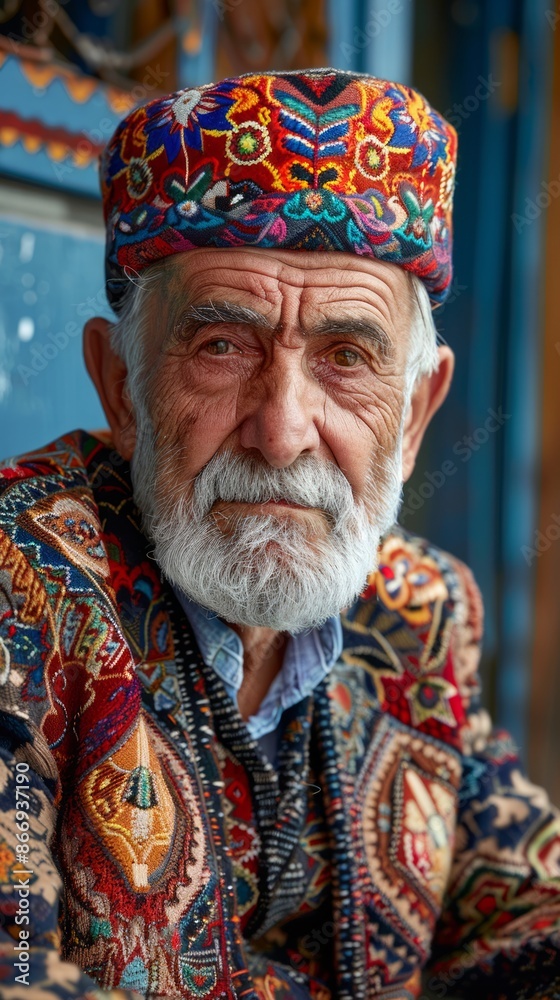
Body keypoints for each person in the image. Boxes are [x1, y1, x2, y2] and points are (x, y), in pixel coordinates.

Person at [0, 68, 558, 1000]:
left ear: (415, 415)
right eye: (224, 346)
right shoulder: (20, 586)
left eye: (347, 357)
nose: (284, 428)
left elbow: (523, 905)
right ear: (119, 388)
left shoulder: (422, 611)